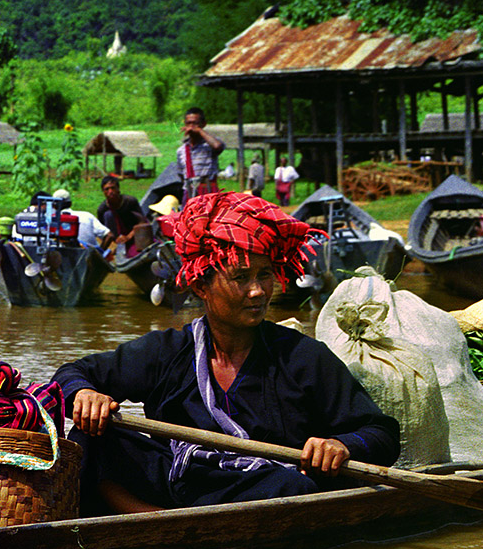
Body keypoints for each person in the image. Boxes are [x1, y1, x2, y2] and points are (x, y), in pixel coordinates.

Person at [51, 191, 399, 516]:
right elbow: (70, 374)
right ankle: (149, 519)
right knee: (90, 439)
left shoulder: (303, 357)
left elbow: (381, 433)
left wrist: (341, 445)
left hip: (257, 488)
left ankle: (180, 524)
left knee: (295, 487)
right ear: (201, 286)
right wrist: (85, 395)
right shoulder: (167, 351)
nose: (257, 291)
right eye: (240, 277)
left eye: (264, 275)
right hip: (177, 479)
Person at [177, 107, 225, 204]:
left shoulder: (209, 145)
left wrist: (199, 131)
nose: (191, 127)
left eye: (195, 123)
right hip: (190, 193)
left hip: (208, 192)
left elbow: (217, 146)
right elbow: (181, 174)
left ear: (203, 124)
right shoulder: (181, 150)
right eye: (188, 123)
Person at [96, 175, 145, 258]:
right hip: (118, 237)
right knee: (108, 215)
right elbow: (104, 231)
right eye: (107, 189)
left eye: (113, 188)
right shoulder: (102, 209)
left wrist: (128, 236)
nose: (110, 191)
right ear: (103, 192)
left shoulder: (130, 202)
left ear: (118, 189)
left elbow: (142, 222)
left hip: (134, 234)